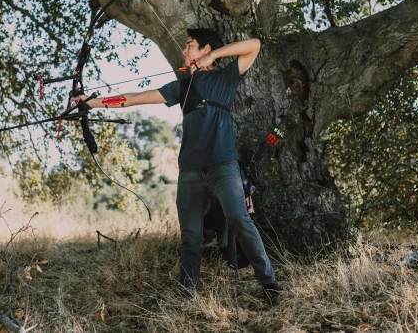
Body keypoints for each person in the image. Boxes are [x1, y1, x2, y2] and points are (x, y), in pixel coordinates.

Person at [79, 28, 281, 304]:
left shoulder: (225, 77)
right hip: (190, 171)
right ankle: (187, 296)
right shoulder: (182, 88)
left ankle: (269, 284)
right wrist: (92, 103)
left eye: (190, 46)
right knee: (190, 237)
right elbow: (135, 98)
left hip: (223, 165)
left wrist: (212, 56)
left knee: (238, 217)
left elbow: (255, 44)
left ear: (205, 50)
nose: (185, 51)